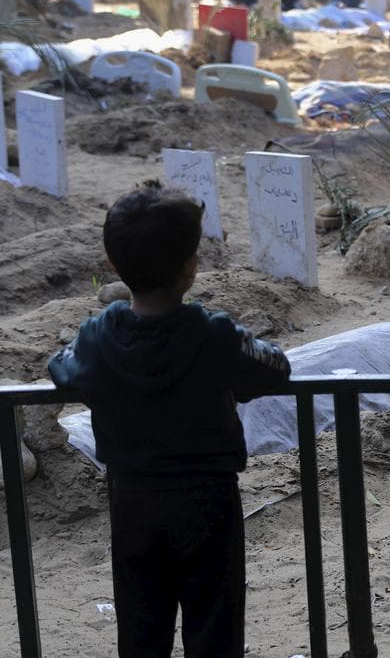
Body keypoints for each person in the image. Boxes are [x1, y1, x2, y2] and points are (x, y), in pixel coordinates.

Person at [48, 182, 291, 658]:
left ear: (113, 265)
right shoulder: (214, 335)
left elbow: (61, 368)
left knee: (141, 631)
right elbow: (275, 366)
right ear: (190, 267)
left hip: (133, 502)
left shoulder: (97, 338)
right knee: (215, 630)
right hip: (209, 502)